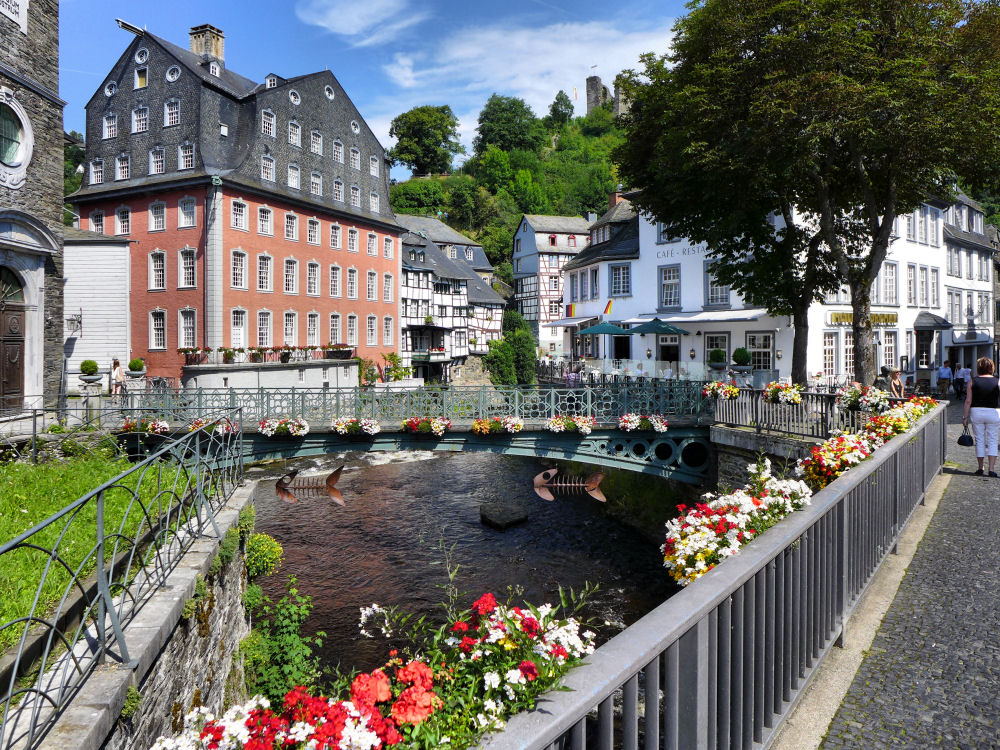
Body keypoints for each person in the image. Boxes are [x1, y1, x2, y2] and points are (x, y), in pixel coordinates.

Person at [963, 357, 1000, 477]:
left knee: (979, 440)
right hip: (993, 412)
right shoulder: (997, 381)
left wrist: (965, 417)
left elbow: (968, 401)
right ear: (992, 367)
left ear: (979, 368)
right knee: (993, 441)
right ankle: (992, 469)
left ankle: (980, 467)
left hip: (977, 412)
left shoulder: (973, 381)